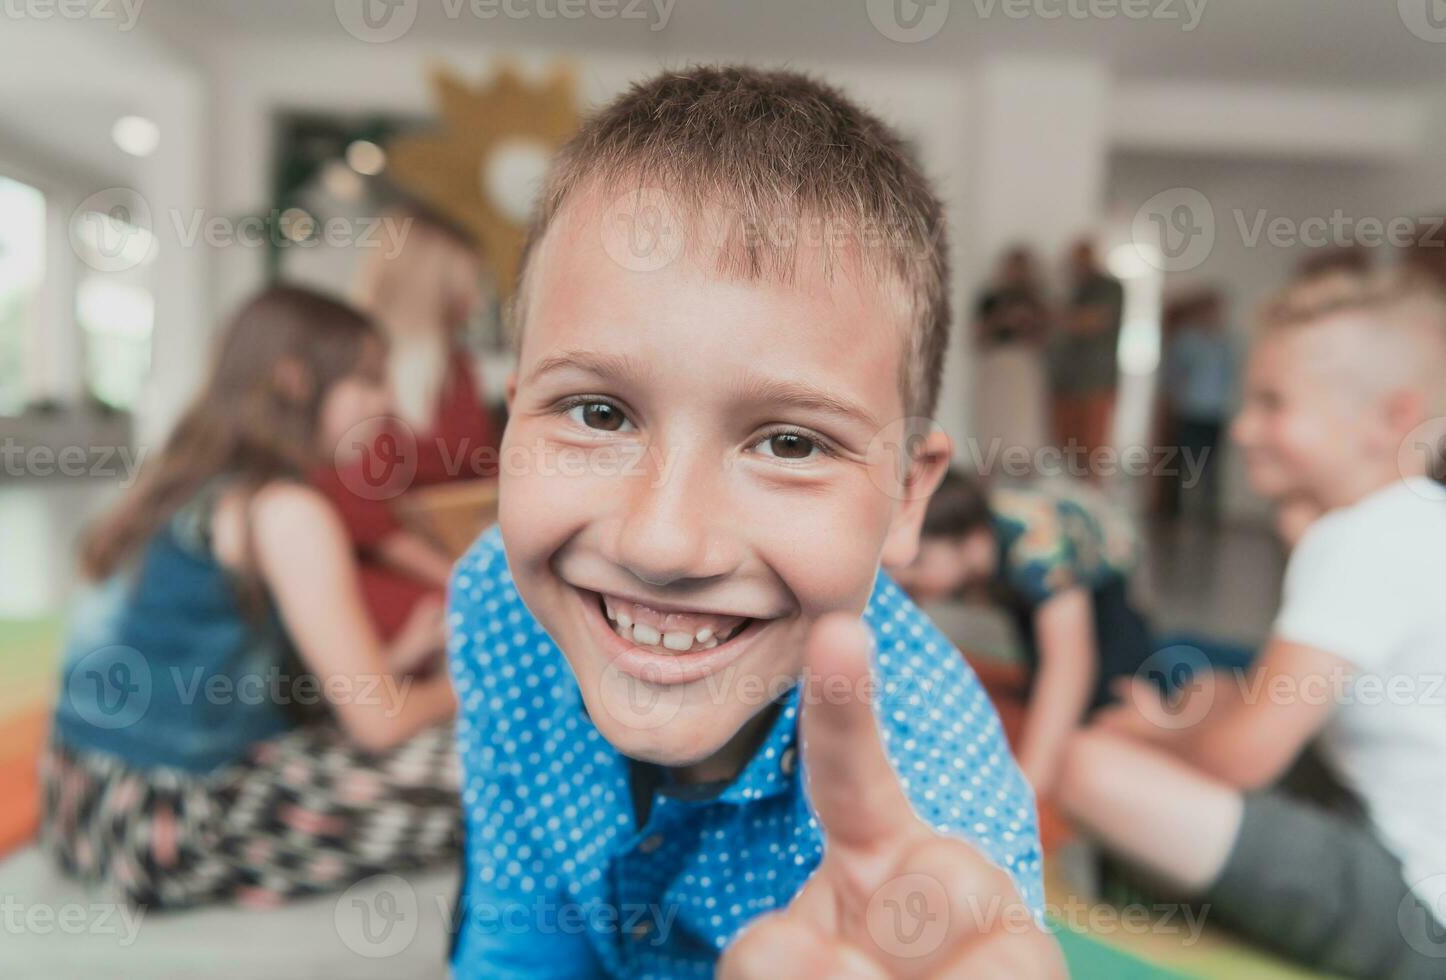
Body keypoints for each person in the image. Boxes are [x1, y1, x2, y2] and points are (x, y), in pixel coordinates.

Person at [446, 66, 1062, 978]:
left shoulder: (931, 826)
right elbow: (520, 933)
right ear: (513, 423)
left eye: (789, 443)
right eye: (598, 413)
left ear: (907, 496)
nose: (660, 543)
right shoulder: (498, 596)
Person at [1056, 269, 1446, 979]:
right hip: (1388, 833)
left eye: (1273, 404)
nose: (1242, 428)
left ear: (1394, 418)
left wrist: (1154, 730)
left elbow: (1245, 756)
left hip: (1420, 916)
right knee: (1209, 691)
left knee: (1091, 765)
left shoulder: (1363, 538)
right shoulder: (1417, 519)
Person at [43, 286, 461, 910]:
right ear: (295, 381)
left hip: (84, 796)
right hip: (172, 820)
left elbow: (216, 668)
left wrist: (396, 657)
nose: (388, 404)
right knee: (497, 756)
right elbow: (380, 723)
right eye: (369, 381)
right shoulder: (288, 510)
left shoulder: (187, 479)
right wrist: (475, 682)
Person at [310, 203, 502, 641]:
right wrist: (459, 576)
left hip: (452, 549)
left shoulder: (459, 368)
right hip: (376, 565)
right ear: (431, 286)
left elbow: (481, 468)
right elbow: (361, 513)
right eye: (470, 282)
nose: (477, 301)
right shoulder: (353, 373)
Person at [891, 471, 1147, 796]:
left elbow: (1067, 666)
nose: (900, 577)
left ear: (969, 542)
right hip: (1026, 579)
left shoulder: (1037, 549)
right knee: (1037, 658)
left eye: (917, 562)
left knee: (1102, 693)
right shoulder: (983, 561)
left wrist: (1028, 783)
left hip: (1101, 566)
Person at [1049, 238, 1124, 473]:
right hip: (1065, 381)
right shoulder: (1073, 289)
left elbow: (1091, 321)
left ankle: (1092, 499)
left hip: (1096, 382)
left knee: (1093, 447)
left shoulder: (1109, 288)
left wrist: (1059, 318)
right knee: (1066, 446)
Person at [1160, 291, 1235, 521]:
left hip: (1216, 413)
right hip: (1191, 411)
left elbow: (1231, 375)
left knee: (1212, 467)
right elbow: (1172, 374)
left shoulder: (1227, 342)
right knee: (1188, 463)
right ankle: (1182, 513)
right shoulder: (1187, 340)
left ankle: (1208, 515)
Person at [973, 246, 1051, 456]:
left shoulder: (1035, 300)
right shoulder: (991, 298)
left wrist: (1026, 324)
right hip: (997, 362)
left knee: (1023, 420)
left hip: (1024, 364)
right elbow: (977, 338)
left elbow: (1045, 338)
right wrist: (1002, 319)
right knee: (993, 416)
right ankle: (988, 466)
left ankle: (1025, 472)